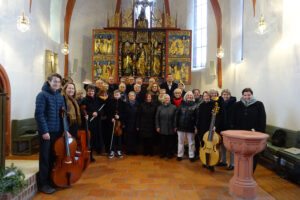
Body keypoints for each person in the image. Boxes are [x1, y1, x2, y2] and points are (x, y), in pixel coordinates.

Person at [35, 73, 69, 194]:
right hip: (47, 133)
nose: (56, 84)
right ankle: (43, 184)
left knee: (53, 157)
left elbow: (63, 115)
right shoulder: (42, 95)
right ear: (49, 81)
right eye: (54, 81)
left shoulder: (60, 96)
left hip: (57, 132)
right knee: (45, 158)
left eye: (58, 82)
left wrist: (66, 130)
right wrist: (44, 131)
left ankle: (51, 180)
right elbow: (39, 115)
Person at [232, 88, 266, 172]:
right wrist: (235, 130)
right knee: (240, 154)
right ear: (242, 95)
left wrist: (259, 132)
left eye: (249, 95)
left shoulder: (259, 104)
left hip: (253, 134)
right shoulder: (237, 104)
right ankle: (240, 171)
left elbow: (262, 120)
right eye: (245, 95)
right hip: (240, 134)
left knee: (252, 155)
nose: (247, 97)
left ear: (252, 95)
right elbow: (233, 118)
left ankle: (250, 172)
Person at [81, 85, 104, 158]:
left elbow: (102, 109)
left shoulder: (98, 99)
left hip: (97, 121)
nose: (91, 92)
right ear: (87, 92)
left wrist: (97, 113)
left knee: (96, 137)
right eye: (89, 91)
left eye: (93, 91)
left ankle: (97, 150)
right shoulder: (84, 100)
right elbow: (82, 111)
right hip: (89, 122)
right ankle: (89, 155)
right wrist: (91, 114)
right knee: (89, 138)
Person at [175, 91, 198, 162]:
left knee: (191, 142)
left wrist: (196, 127)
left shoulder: (195, 105)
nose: (189, 96)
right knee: (180, 142)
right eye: (188, 95)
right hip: (181, 126)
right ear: (185, 96)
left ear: (193, 97)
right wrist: (175, 125)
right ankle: (179, 155)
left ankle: (191, 156)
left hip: (191, 127)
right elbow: (176, 116)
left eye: (191, 95)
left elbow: (197, 118)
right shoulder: (181, 105)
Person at [218, 89, 236, 170]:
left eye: (227, 94)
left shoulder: (234, 103)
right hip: (222, 127)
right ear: (222, 95)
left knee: (231, 147)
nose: (225, 96)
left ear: (230, 95)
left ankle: (232, 164)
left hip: (230, 128)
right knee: (223, 145)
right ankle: (224, 161)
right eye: (224, 94)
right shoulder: (220, 103)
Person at [196, 91, 214, 165]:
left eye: (207, 96)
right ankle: (204, 160)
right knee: (203, 144)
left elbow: (217, 117)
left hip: (210, 128)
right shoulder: (201, 105)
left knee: (210, 144)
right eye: (204, 96)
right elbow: (199, 117)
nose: (206, 97)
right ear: (203, 97)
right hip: (202, 128)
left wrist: (214, 125)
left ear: (209, 96)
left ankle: (211, 162)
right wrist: (197, 127)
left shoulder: (214, 104)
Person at [155, 94, 176, 159]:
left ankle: (169, 153)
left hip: (171, 127)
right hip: (162, 127)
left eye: (168, 98)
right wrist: (157, 126)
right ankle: (163, 153)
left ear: (170, 99)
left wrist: (175, 126)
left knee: (170, 142)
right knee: (163, 142)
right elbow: (156, 118)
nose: (166, 99)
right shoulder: (159, 107)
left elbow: (175, 118)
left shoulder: (174, 107)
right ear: (163, 99)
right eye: (165, 98)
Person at [108, 90, 126, 158]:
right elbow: (108, 112)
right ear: (113, 95)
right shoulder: (110, 102)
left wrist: (119, 116)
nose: (116, 96)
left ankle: (119, 150)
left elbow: (125, 113)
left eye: (118, 94)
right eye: (115, 94)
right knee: (111, 137)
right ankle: (112, 151)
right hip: (112, 122)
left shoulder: (123, 103)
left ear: (120, 95)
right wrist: (111, 118)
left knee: (119, 137)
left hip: (119, 123)